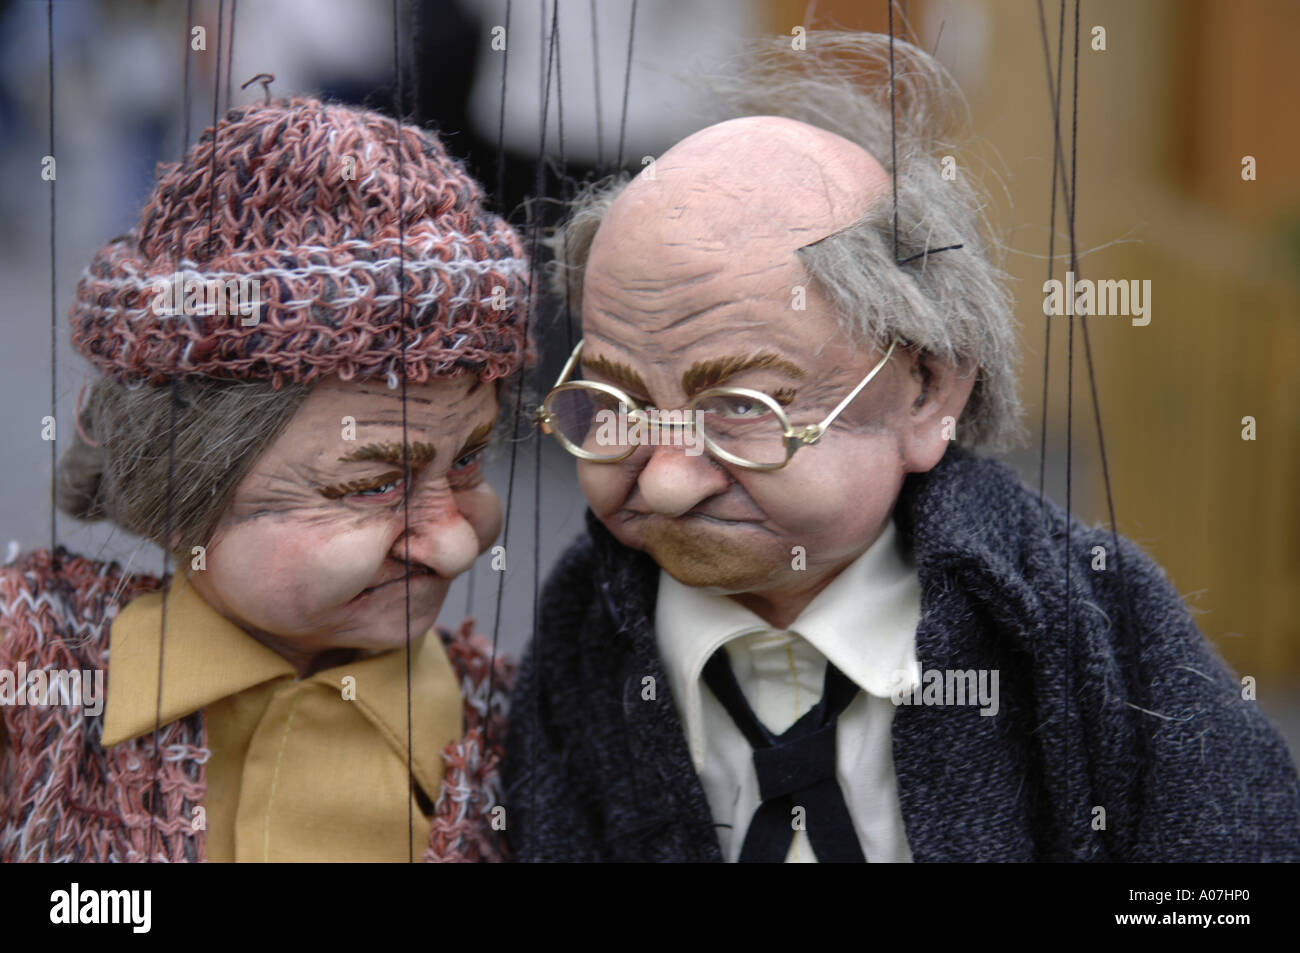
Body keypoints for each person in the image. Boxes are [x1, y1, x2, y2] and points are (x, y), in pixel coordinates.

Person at [503, 32, 1300, 862]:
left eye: (740, 409)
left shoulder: (1087, 630)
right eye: (616, 400)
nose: (665, 485)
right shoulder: (583, 636)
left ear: (926, 392)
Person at [0, 97, 529, 862]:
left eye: (471, 459)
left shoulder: (524, 736)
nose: (451, 545)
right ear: (181, 479)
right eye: (372, 484)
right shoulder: (29, 679)